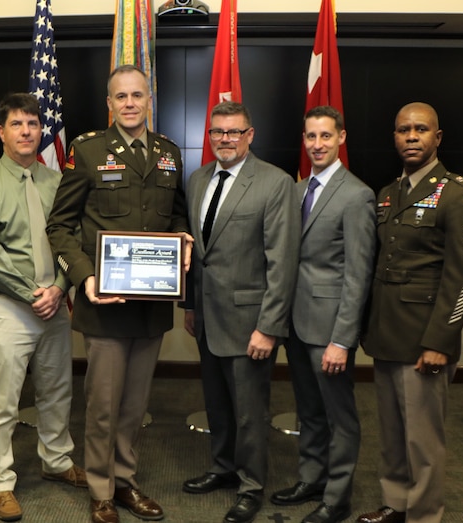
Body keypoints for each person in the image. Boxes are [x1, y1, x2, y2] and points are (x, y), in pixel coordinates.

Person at [46, 65, 192, 523]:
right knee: (104, 405)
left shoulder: (169, 153)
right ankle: (101, 490)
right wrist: (85, 276)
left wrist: (184, 238)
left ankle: (126, 482)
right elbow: (60, 226)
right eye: (120, 96)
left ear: (150, 100)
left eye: (137, 95)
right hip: (104, 304)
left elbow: (178, 214)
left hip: (150, 307)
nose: (130, 103)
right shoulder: (87, 151)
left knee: (134, 406)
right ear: (109, 104)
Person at [356, 103, 463, 523]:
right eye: (403, 130)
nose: (411, 137)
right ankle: (396, 503)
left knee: (424, 439)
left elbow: (462, 276)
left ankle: (424, 514)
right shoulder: (389, 194)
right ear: (394, 137)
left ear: (437, 137)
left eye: (420, 130)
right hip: (386, 336)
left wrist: (440, 342)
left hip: (424, 339)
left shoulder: (457, 193)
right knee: (393, 432)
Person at [0, 93, 86, 522]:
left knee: (57, 390)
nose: (26, 132)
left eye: (33, 124)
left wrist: (59, 287)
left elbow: (72, 242)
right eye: (17, 124)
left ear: (41, 130)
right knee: (3, 401)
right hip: (9, 306)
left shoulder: (57, 182)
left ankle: (57, 461)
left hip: (53, 303)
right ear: (2, 132)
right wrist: (35, 293)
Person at [181, 101, 300, 523]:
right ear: (209, 136)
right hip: (207, 318)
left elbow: (281, 261)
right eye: (217, 132)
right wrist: (191, 306)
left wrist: (269, 327)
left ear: (250, 135)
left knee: (250, 412)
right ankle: (223, 468)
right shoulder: (197, 180)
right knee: (217, 403)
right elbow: (200, 254)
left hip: (251, 322)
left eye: (234, 132)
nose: (225, 139)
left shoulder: (274, 182)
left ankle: (251, 485)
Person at [269, 106, 376, 523]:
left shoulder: (357, 195)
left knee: (340, 416)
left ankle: (337, 497)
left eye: (325, 137)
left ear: (341, 138)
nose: (317, 145)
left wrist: (342, 339)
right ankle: (311, 478)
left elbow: (358, 273)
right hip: (296, 325)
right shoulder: (296, 191)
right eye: (310, 137)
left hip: (330, 329)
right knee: (308, 409)